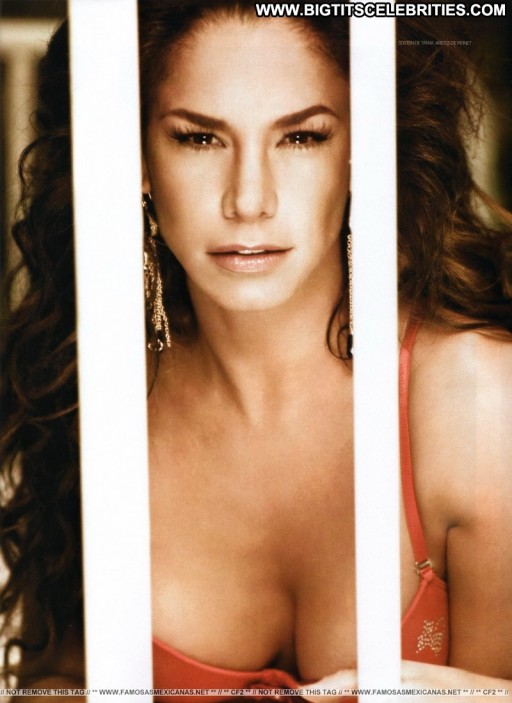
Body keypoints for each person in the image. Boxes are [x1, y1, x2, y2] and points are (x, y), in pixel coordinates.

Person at [1, 1, 511, 700]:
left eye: (301, 137)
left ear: (362, 152)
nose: (248, 200)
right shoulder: (98, 380)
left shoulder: (476, 399)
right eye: (199, 138)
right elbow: (59, 674)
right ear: (138, 158)